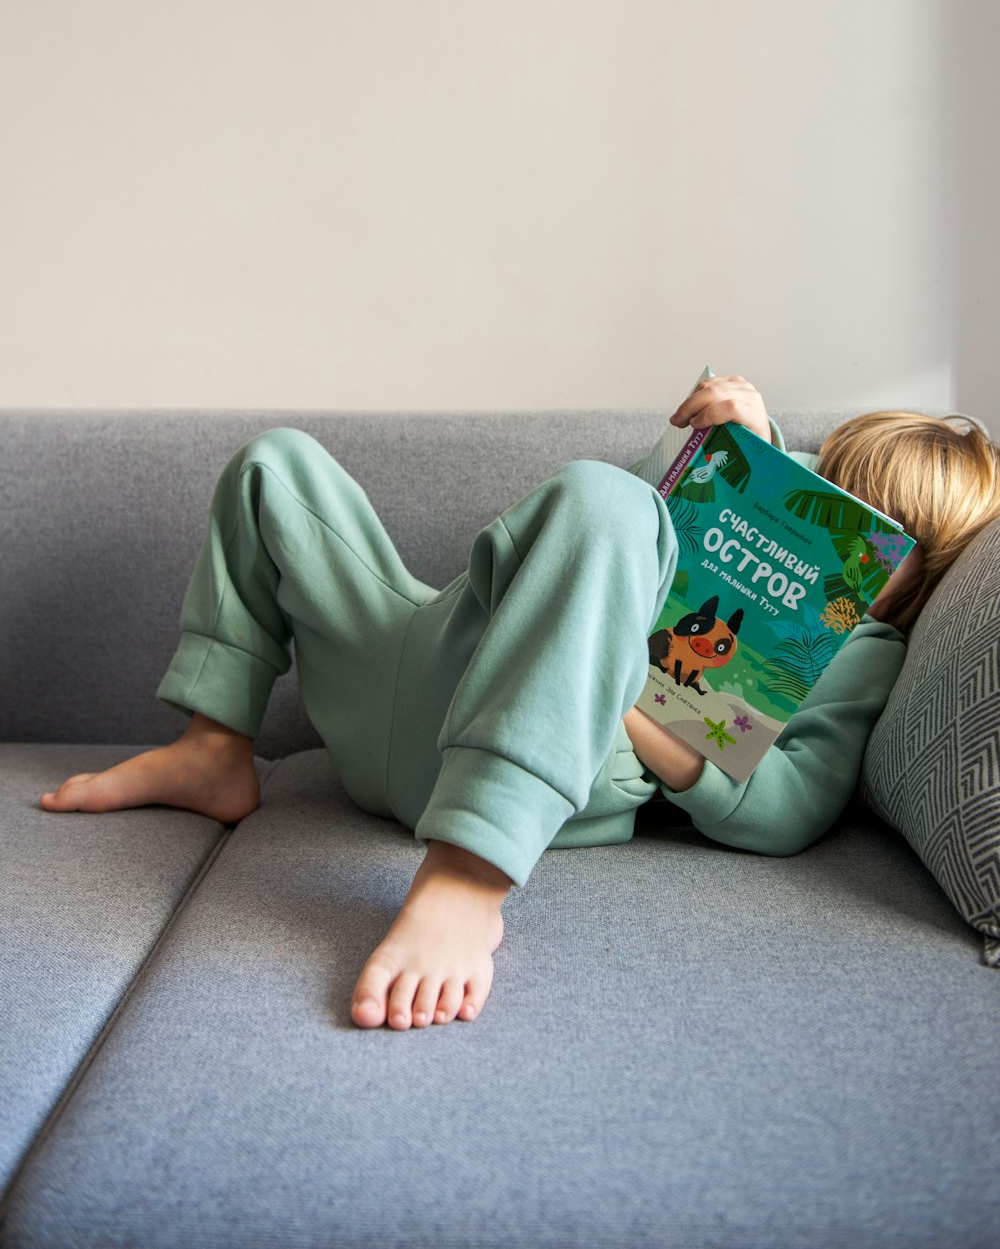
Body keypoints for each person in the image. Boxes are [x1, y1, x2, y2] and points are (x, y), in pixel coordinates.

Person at [40, 377, 1000, 1031]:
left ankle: (468, 876)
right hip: (418, 657)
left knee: (606, 500)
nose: (845, 530)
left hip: (546, 766)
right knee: (275, 464)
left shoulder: (866, 653)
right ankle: (214, 747)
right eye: (830, 493)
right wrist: (739, 464)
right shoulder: (683, 519)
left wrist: (633, 707)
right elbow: (596, 549)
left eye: (885, 534)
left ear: (924, 572)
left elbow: (792, 807)